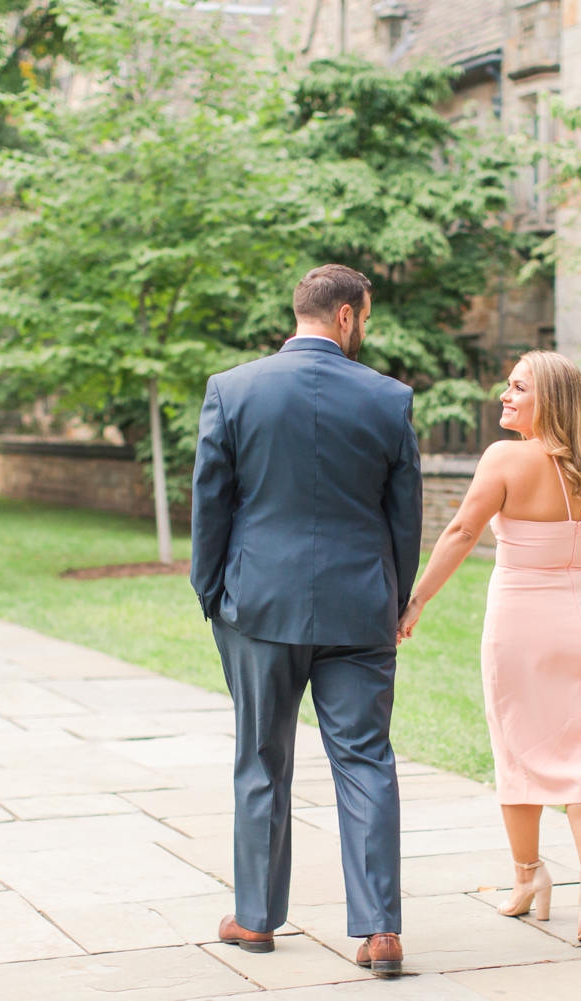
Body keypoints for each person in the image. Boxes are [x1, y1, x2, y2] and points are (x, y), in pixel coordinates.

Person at [190, 264, 422, 975]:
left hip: (258, 603)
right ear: (348, 316)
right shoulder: (390, 398)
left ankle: (255, 919)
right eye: (367, 318)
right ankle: (380, 929)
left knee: (261, 756)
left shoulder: (233, 389)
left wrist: (213, 594)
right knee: (365, 759)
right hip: (359, 608)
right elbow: (404, 517)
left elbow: (211, 506)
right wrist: (394, 595)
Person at [396, 350, 581, 944]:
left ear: (548, 399)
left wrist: (417, 599)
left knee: (517, 749)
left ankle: (529, 878)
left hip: (520, 623)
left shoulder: (505, 458)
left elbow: (463, 532)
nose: (505, 395)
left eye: (518, 387)